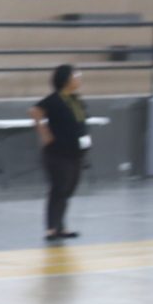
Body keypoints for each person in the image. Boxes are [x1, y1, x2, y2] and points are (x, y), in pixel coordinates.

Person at [31, 62, 87, 241]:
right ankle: (51, 228)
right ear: (65, 79)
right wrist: (44, 133)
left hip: (75, 152)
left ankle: (61, 226)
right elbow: (35, 111)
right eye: (75, 76)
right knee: (59, 189)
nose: (79, 79)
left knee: (68, 189)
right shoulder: (55, 99)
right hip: (58, 153)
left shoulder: (76, 99)